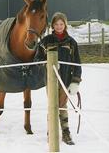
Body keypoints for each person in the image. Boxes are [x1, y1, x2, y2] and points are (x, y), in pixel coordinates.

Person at [35, 12, 82, 145]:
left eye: (61, 24)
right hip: (50, 80)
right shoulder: (46, 41)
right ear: (52, 25)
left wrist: (75, 82)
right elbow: (37, 58)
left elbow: (77, 63)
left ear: (65, 25)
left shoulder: (71, 43)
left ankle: (65, 133)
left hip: (66, 79)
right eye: (56, 24)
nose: (59, 26)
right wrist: (48, 62)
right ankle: (51, 132)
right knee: (53, 105)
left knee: (62, 105)